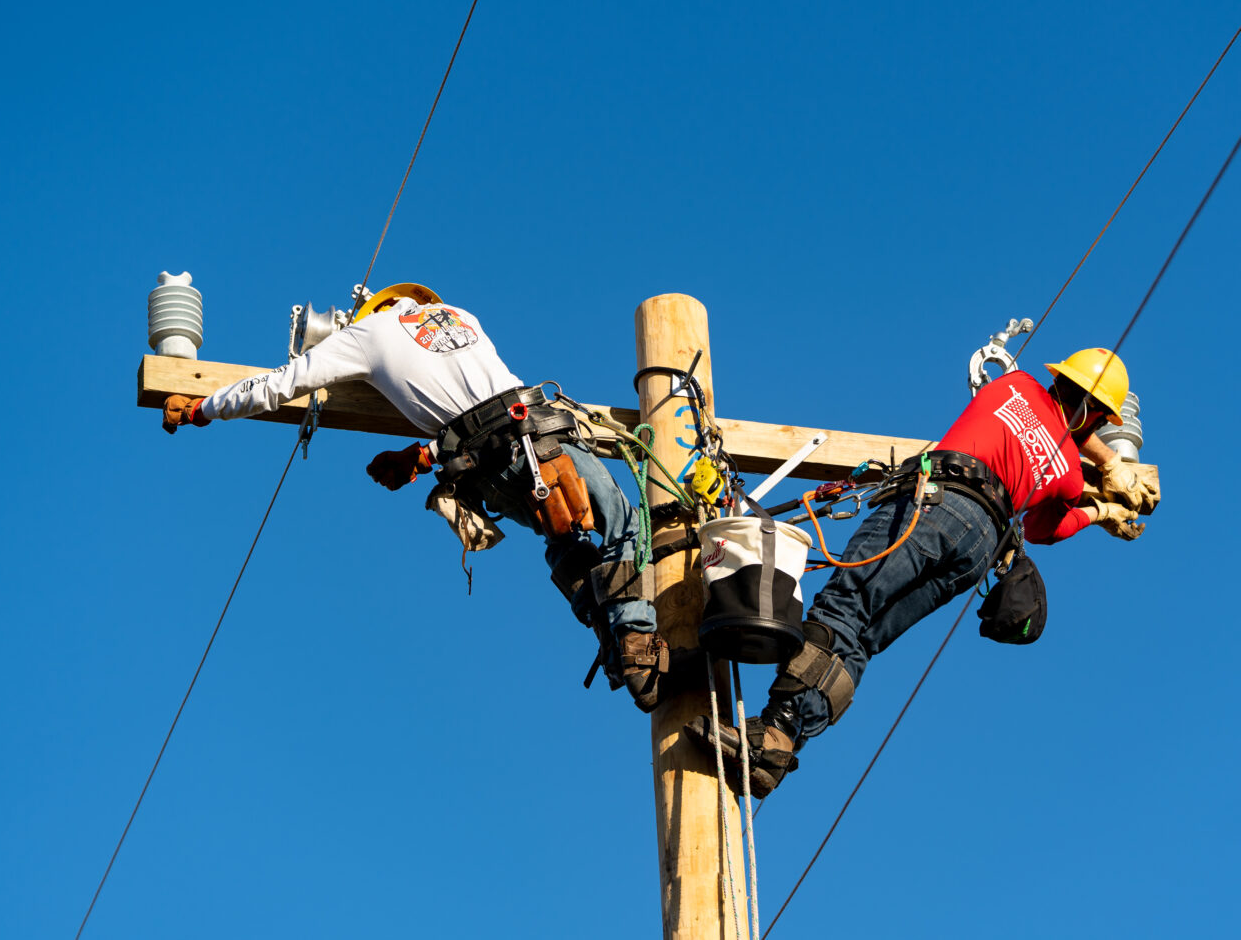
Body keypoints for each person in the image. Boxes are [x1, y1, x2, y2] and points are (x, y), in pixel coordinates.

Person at [161, 282, 685, 711]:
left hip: (490, 460)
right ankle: (632, 641)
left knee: (563, 539)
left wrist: (200, 408)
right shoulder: (461, 314)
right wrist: (423, 452)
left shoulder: (362, 334)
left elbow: (279, 384)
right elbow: (479, 391)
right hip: (544, 435)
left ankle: (623, 642)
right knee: (623, 524)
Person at [685, 348, 1160, 796]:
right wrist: (1102, 498)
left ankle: (773, 729)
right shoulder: (1069, 475)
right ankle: (780, 746)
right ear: (1100, 417)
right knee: (863, 638)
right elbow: (1041, 530)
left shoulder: (1015, 385)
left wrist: (1103, 475)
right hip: (979, 547)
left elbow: (1061, 434)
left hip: (937, 503)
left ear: (1059, 377)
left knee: (845, 604)